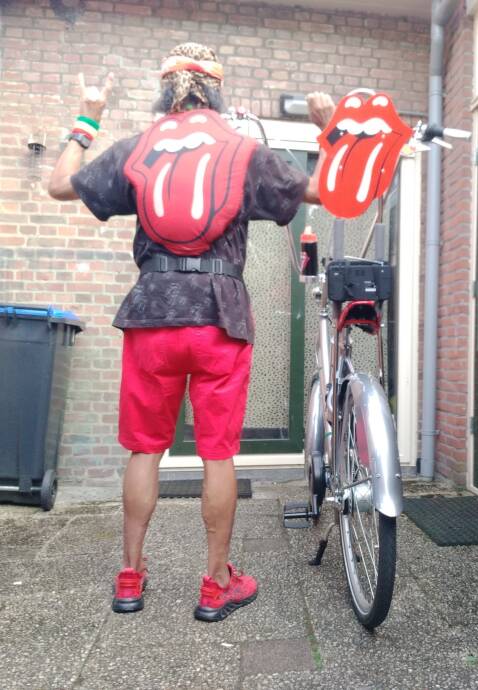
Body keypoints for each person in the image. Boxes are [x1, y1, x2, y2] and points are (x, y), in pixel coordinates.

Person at [48, 42, 334, 622]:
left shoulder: (138, 148)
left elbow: (58, 185)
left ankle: (130, 579)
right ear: (217, 92)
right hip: (219, 316)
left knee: (145, 449)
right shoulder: (243, 150)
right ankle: (215, 584)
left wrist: (89, 116)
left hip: (151, 312)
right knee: (218, 454)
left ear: (166, 91)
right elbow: (323, 192)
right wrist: (328, 130)